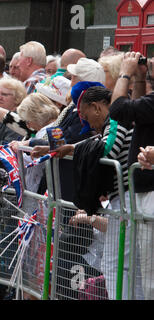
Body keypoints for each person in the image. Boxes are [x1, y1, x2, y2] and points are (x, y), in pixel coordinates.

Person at [54, 86, 144, 300]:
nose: (88, 125)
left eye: (86, 118)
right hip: (126, 198)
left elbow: (106, 150)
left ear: (96, 108)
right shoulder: (116, 120)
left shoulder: (116, 118)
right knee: (127, 266)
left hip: (126, 200)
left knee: (115, 264)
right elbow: (97, 145)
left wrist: (73, 149)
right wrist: (70, 148)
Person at [109, 51, 154, 299]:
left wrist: (125, 72)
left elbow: (118, 110)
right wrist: (139, 79)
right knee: (144, 269)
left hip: (151, 194)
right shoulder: (150, 102)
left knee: (149, 274)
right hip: (144, 191)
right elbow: (136, 112)